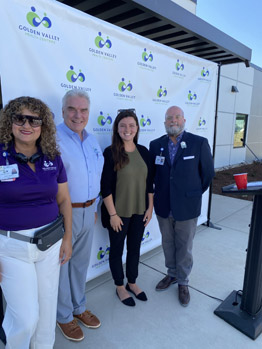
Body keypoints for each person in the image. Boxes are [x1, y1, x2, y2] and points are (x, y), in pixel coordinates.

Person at [0, 96, 72, 348]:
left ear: (44, 126)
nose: (27, 125)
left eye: (34, 120)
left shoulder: (52, 157)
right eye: (20, 118)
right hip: (11, 250)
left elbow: (63, 200)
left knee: (46, 313)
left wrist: (68, 238)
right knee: (26, 318)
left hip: (50, 245)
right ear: (10, 122)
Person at [149, 106, 214, 306]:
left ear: (184, 120)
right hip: (163, 205)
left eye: (177, 117)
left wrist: (191, 193)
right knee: (168, 244)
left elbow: (208, 175)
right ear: (164, 122)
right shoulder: (155, 145)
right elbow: (152, 174)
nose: (173, 121)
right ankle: (172, 274)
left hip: (187, 206)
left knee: (184, 246)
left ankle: (183, 281)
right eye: (169, 118)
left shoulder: (198, 143)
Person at [56, 90, 104, 342]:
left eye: (83, 110)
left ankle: (79, 307)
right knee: (62, 266)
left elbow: (94, 176)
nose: (78, 115)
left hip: (89, 211)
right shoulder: (52, 139)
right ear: (63, 111)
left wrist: (94, 207)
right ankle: (64, 316)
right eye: (72, 109)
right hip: (63, 213)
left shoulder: (93, 140)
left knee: (80, 264)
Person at [101, 109, 154, 307]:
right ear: (117, 128)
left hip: (140, 211)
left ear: (137, 128)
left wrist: (150, 209)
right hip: (118, 214)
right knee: (116, 250)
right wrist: (113, 215)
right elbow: (105, 187)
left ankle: (132, 282)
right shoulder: (110, 152)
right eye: (123, 125)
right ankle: (120, 286)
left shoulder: (144, 152)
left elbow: (149, 183)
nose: (127, 129)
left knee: (135, 249)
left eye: (131, 125)